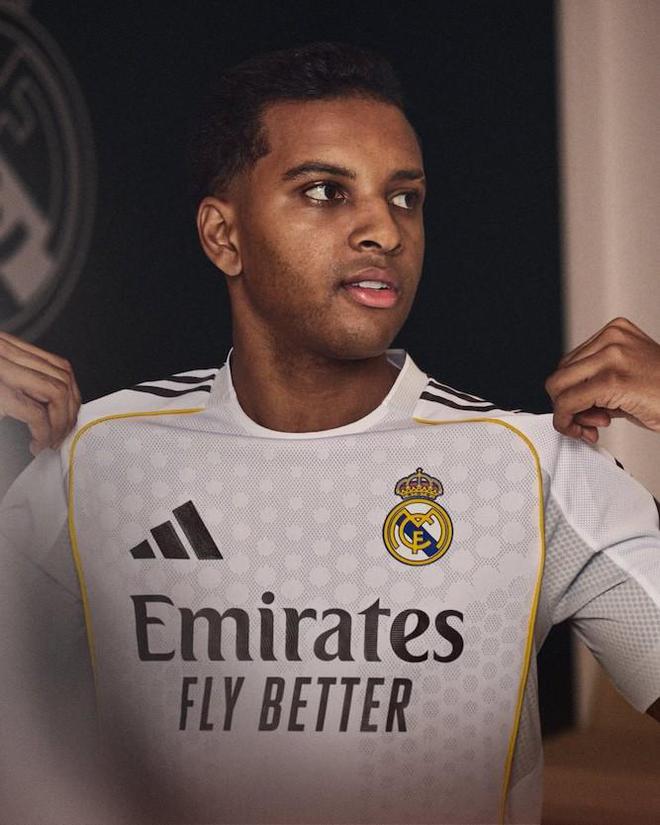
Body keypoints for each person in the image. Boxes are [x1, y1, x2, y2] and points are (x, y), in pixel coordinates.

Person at [0, 41, 659, 825]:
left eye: (405, 197)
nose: (384, 229)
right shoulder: (96, 461)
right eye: (325, 191)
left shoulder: (535, 469)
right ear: (223, 235)